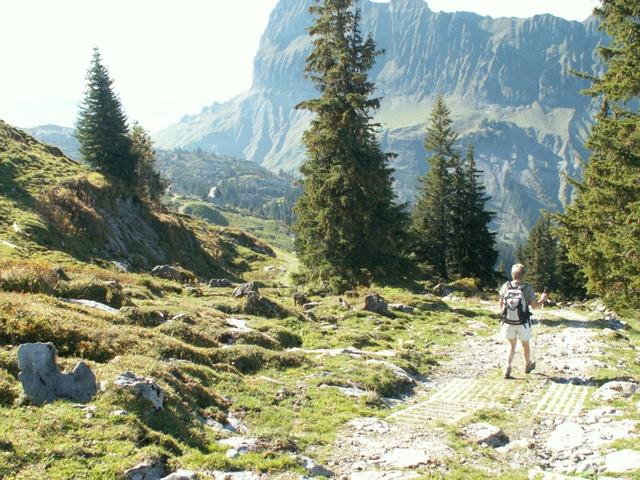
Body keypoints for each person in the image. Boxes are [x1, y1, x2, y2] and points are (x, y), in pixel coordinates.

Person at [499, 263, 548, 379]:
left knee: (511, 345)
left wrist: (503, 316)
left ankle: (507, 367)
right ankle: (527, 365)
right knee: (525, 345)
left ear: (512, 274)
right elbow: (535, 305)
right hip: (523, 323)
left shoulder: (505, 287)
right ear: (523, 275)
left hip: (508, 322)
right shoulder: (527, 288)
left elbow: (500, 305)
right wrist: (542, 299)